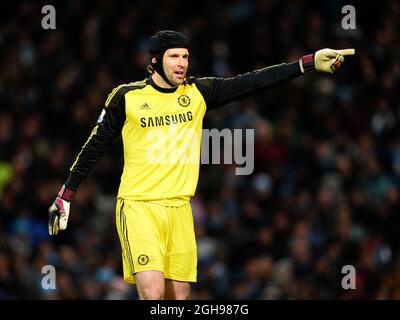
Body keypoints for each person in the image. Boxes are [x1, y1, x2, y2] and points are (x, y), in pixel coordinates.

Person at [48, 30, 354, 300]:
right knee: (152, 292)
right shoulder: (126, 97)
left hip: (181, 209)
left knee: (179, 297)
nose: (182, 63)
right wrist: (66, 194)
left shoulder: (197, 93)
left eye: (185, 57)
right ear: (154, 61)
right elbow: (95, 145)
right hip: (139, 206)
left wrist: (308, 62)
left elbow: (252, 82)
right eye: (174, 57)